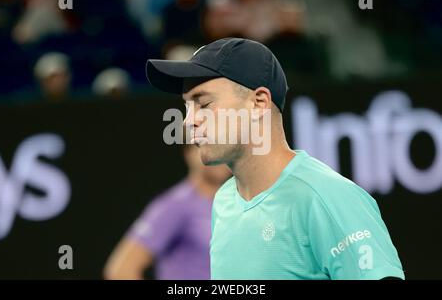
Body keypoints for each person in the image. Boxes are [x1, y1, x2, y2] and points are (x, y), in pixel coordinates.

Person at [145, 37, 405, 280]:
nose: (189, 121)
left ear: (258, 103)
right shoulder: (224, 202)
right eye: (186, 107)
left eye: (203, 104)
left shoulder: (326, 197)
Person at [103, 145, 231, 280]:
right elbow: (121, 271)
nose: (219, 155)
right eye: (210, 146)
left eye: (224, 147)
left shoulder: (234, 205)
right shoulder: (175, 205)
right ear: (188, 153)